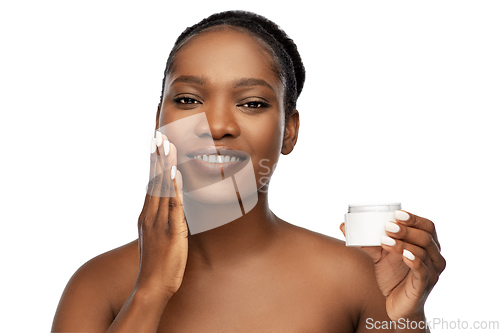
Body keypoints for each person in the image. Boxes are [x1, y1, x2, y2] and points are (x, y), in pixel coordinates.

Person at [51, 10, 446, 332]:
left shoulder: (359, 280)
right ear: (159, 122)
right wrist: (151, 290)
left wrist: (404, 321)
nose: (216, 124)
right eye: (188, 99)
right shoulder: (97, 286)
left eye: (252, 103)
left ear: (289, 131)